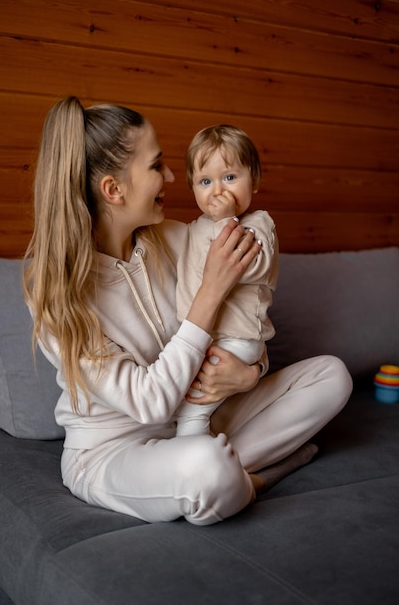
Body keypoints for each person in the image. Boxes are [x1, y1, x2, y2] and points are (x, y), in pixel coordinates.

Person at [23, 96, 352, 527]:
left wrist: (248, 374)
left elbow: (245, 321)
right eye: (157, 166)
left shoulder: (178, 239)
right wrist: (210, 290)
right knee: (206, 468)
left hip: (200, 419)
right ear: (113, 190)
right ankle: (253, 479)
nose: (173, 176)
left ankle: (224, 469)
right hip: (115, 451)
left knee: (331, 376)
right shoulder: (54, 293)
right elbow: (150, 403)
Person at [175, 124, 278, 436]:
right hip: (201, 338)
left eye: (230, 177)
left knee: (191, 411)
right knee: (185, 405)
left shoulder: (259, 225)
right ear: (193, 188)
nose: (218, 191)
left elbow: (250, 266)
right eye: (205, 181)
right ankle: (211, 450)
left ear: (254, 181)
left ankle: (190, 456)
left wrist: (226, 221)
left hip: (236, 340)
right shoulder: (192, 229)